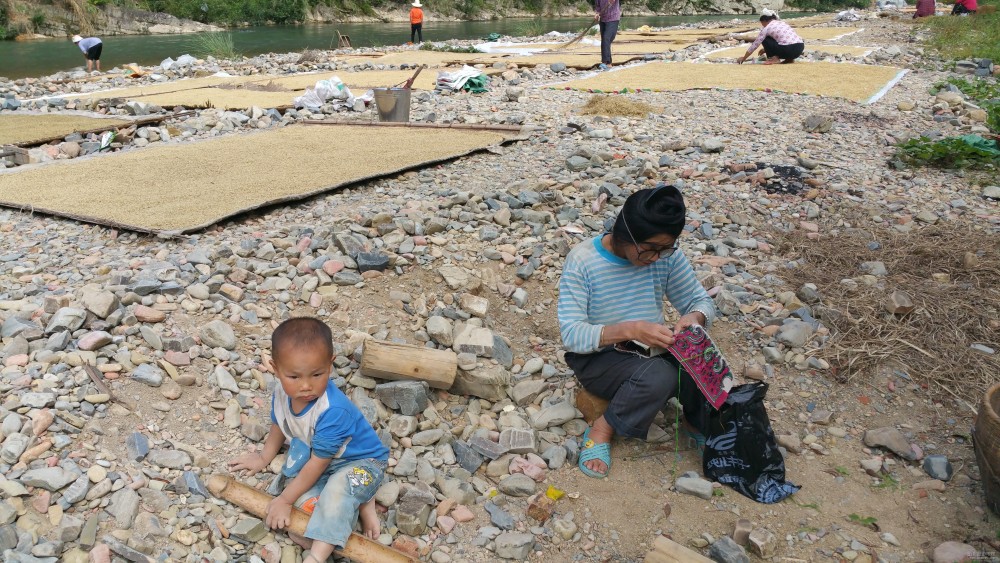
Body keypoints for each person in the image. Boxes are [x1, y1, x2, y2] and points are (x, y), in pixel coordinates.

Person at [557, 185, 718, 479]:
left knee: (701, 357)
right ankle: (603, 428)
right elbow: (571, 335)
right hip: (599, 356)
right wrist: (631, 329)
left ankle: (695, 422)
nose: (656, 258)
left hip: (650, 348)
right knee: (661, 375)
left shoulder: (665, 257)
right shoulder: (583, 261)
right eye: (649, 249)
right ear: (624, 232)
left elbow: (700, 301)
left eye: (664, 248)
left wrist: (694, 319)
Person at [227, 317, 389, 563]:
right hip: (326, 460)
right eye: (294, 376)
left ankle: (317, 555)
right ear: (276, 368)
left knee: (336, 493)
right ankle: (362, 500)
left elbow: (317, 464)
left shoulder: (332, 410)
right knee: (305, 502)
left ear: (330, 365)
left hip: (362, 464)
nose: (305, 386)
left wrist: (283, 500)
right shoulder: (282, 391)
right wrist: (263, 457)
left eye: (317, 374)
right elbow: (279, 424)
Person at [736, 10, 805, 66]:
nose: (762, 25)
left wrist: (744, 58)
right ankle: (789, 59)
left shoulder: (766, 28)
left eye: (761, 22)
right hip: (799, 48)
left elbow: (755, 44)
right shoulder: (782, 23)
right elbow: (782, 39)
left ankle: (774, 58)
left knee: (764, 39)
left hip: (788, 49)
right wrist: (766, 49)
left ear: (764, 20)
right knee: (773, 38)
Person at [592, 0, 621, 70]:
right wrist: (597, 14)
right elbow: (598, 6)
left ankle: (606, 62)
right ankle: (607, 62)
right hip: (603, 20)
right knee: (605, 40)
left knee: (606, 38)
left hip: (613, 19)